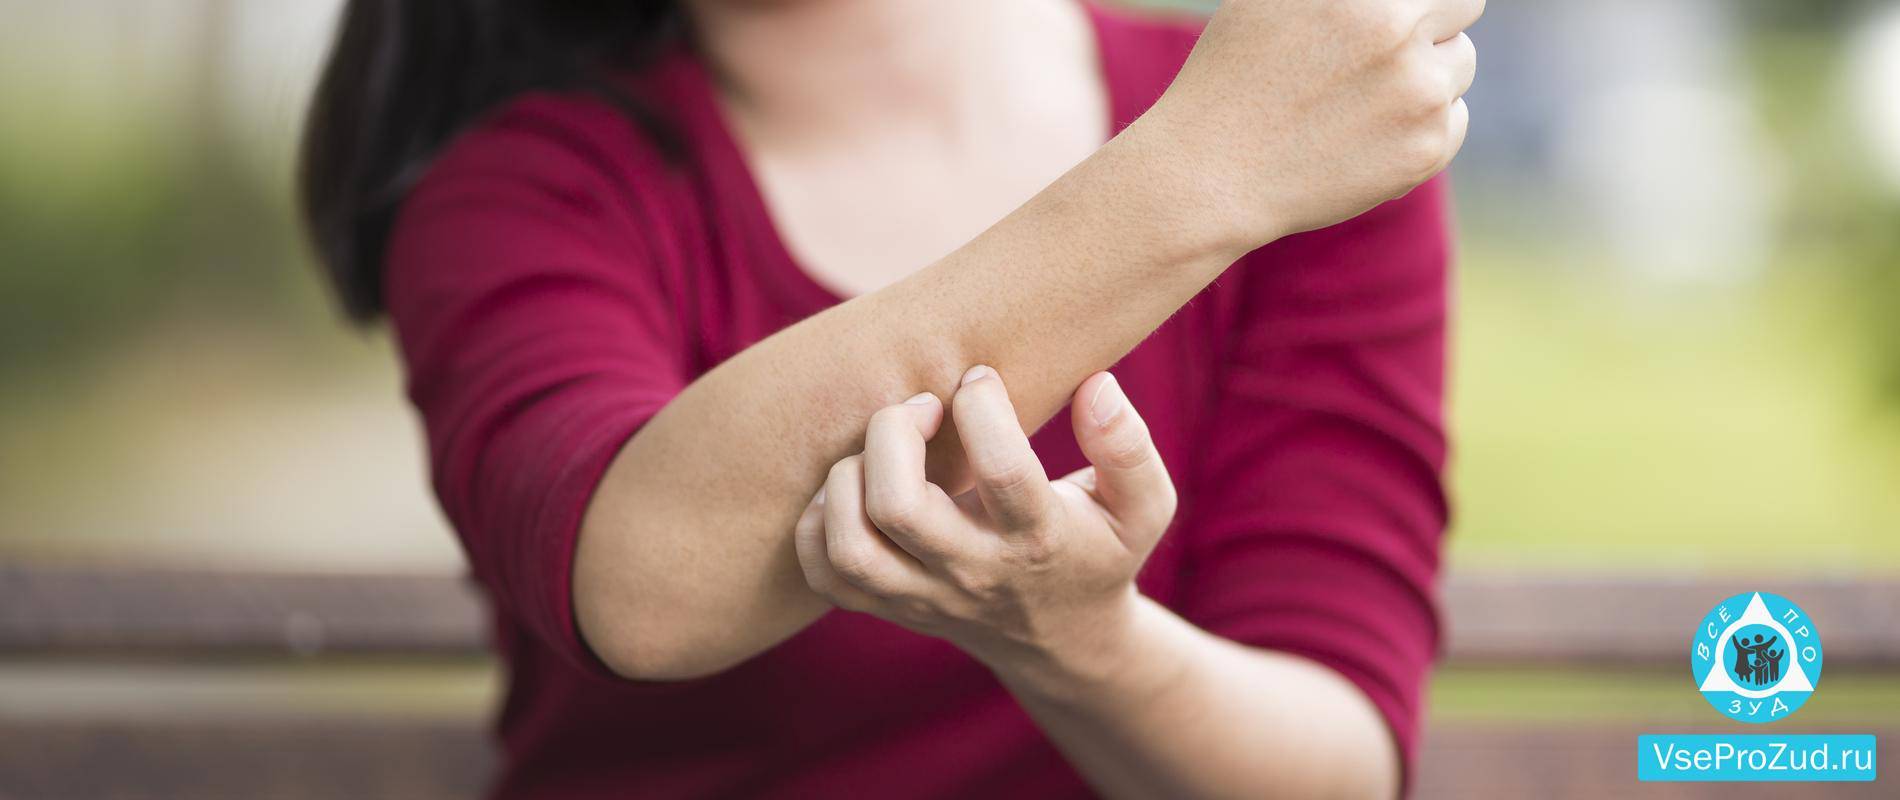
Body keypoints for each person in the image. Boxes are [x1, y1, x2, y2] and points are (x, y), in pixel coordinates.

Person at [299, 0, 1480, 797]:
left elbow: (1337, 756)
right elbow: (642, 579)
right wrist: (1202, 172)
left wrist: (1087, 647)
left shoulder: (1290, 142)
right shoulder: (524, 183)